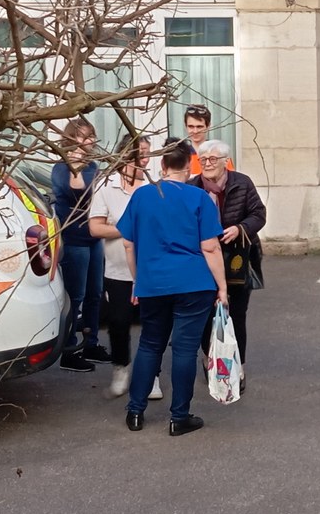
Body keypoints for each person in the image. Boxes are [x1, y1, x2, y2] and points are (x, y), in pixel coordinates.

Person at [117, 139, 228, 436]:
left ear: (162, 165)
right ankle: (179, 417)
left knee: (150, 344)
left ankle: (135, 411)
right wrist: (222, 287)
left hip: (153, 282)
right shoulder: (199, 198)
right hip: (193, 283)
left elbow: (128, 243)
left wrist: (138, 280)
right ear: (188, 165)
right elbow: (210, 247)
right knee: (184, 349)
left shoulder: (142, 196)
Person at [90, 134, 162, 401]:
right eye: (140, 153)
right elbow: (95, 228)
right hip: (117, 271)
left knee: (153, 323)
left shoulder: (155, 186)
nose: (145, 159)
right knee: (119, 322)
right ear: (125, 155)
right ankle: (121, 368)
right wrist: (126, 229)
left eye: (147, 153)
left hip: (152, 270)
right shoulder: (106, 186)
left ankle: (152, 376)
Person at [191, 139, 266, 393]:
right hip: (203, 260)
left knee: (236, 314)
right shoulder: (192, 187)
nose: (208, 164)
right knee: (205, 313)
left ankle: (238, 366)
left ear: (225, 162)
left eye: (213, 159)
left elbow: (259, 214)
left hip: (238, 260)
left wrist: (240, 228)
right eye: (203, 160)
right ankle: (208, 357)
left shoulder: (242, 183)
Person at [51, 118, 107, 372]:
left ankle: (90, 343)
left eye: (91, 136)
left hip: (94, 237)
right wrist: (74, 166)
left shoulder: (93, 166)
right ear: (71, 139)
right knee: (76, 296)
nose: (90, 141)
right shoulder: (61, 168)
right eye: (84, 136)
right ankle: (69, 350)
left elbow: (98, 194)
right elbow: (79, 190)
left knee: (96, 293)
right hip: (74, 239)